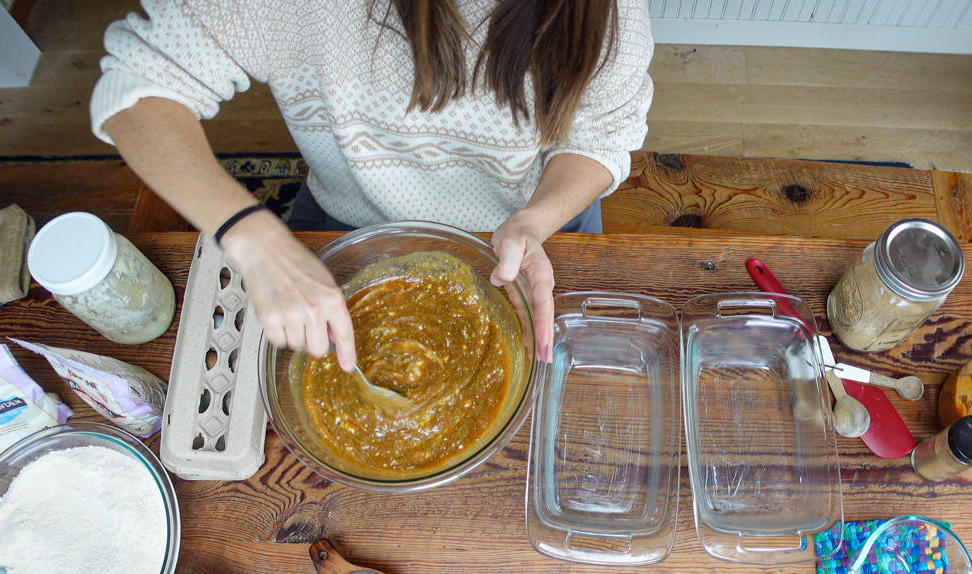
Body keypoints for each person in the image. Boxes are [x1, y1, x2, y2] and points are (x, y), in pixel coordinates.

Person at [91, 0, 653, 368]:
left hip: (533, 223)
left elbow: (602, 137)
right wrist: (249, 234)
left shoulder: (605, 10)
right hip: (348, 211)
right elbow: (135, 88)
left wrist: (537, 218)